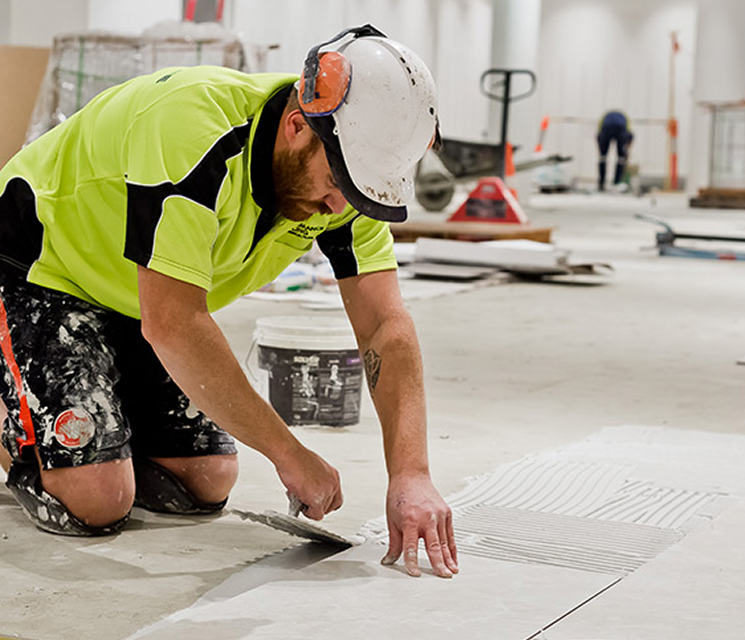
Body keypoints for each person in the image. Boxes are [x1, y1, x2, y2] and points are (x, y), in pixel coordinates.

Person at [0, 25, 458, 579]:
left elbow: (385, 324)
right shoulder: (192, 127)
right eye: (338, 183)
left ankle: (87, 428)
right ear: (297, 127)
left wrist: (411, 474)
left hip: (130, 295)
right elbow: (174, 322)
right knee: (97, 498)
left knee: (207, 479)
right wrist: (291, 454)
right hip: (37, 268)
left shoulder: (344, 181)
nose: (340, 207)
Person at [596, 110, 634, 192]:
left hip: (606, 129)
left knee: (603, 158)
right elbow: (630, 135)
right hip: (620, 129)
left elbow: (599, 135)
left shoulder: (605, 118)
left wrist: (601, 150)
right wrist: (625, 152)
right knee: (621, 159)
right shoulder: (625, 119)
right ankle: (617, 183)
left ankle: (601, 183)